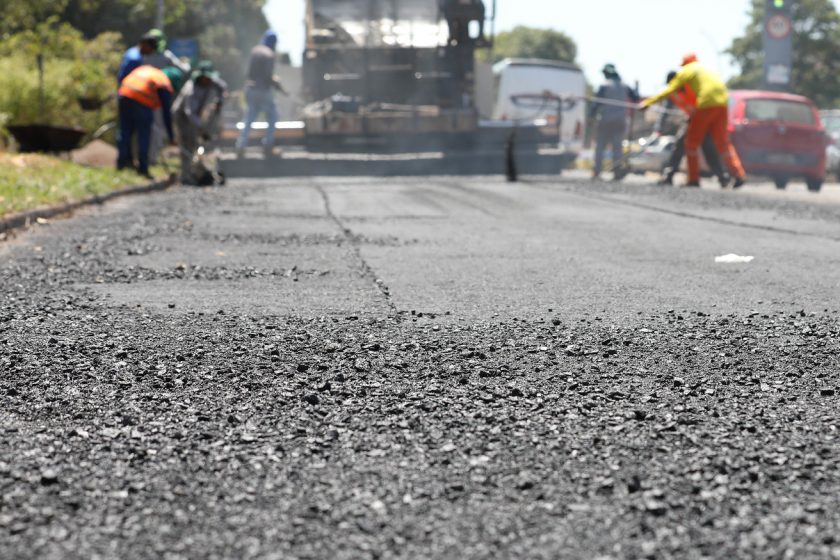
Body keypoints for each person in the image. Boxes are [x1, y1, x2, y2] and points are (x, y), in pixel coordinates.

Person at [641, 54, 746, 188]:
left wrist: (648, 102)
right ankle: (737, 174)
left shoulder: (687, 72)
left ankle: (694, 180)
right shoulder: (705, 70)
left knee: (691, 144)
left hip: (704, 108)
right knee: (722, 144)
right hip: (722, 105)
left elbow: (671, 90)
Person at [656, 71, 728, 187]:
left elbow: (702, 103)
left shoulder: (692, 87)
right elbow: (665, 112)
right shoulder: (673, 93)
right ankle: (670, 175)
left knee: (707, 149)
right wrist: (659, 128)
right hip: (692, 121)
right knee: (680, 146)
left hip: (701, 121)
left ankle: (721, 177)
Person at [173, 61, 228, 185]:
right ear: (200, 77)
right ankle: (185, 175)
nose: (208, 81)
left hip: (195, 116)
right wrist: (202, 129)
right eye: (206, 78)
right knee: (187, 144)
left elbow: (222, 86)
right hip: (183, 117)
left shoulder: (210, 83)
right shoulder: (191, 90)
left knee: (196, 143)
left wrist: (220, 99)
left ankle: (195, 170)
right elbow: (189, 113)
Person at [117, 65, 175, 179]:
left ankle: (122, 164)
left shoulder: (149, 71)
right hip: (141, 100)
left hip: (123, 94)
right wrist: (171, 135)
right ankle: (143, 168)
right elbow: (166, 113)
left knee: (125, 132)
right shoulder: (164, 83)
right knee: (144, 135)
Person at [236, 30, 283, 159]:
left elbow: (250, 72)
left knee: (249, 117)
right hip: (262, 90)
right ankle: (268, 145)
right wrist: (277, 84)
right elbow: (268, 76)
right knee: (273, 116)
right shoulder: (269, 54)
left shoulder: (255, 51)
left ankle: (241, 145)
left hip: (250, 89)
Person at [590, 64, 639, 180]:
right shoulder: (625, 85)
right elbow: (636, 98)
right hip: (621, 120)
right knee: (617, 148)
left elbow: (596, 103)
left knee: (600, 146)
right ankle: (617, 173)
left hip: (606, 119)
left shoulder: (604, 85)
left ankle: (597, 172)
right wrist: (637, 87)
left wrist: (591, 116)